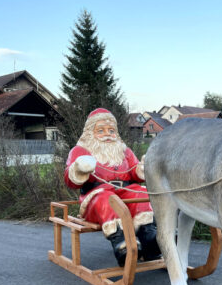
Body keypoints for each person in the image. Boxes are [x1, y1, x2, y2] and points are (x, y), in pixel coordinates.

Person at [64, 108, 160, 266]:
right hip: (96, 198)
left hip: (124, 194)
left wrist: (141, 169)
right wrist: (79, 169)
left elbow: (135, 173)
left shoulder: (124, 151)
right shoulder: (80, 151)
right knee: (107, 198)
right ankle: (121, 243)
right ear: (90, 132)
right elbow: (70, 180)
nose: (107, 134)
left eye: (111, 130)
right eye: (100, 130)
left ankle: (148, 236)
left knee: (140, 192)